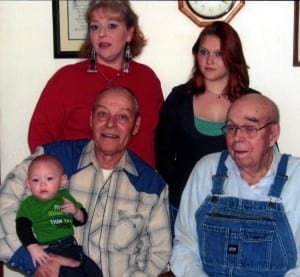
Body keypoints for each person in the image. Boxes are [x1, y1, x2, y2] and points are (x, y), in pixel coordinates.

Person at [0, 86, 172, 277]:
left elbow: (158, 254)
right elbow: (4, 204)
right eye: (102, 114)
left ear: (136, 125)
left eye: (122, 117)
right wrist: (38, 262)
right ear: (91, 120)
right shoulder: (53, 160)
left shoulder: (151, 186)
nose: (110, 124)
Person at [170, 93, 300, 276]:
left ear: (273, 135)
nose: (237, 137)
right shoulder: (207, 170)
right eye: (231, 127)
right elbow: (185, 245)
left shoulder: (296, 178)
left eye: (249, 128)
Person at [28, 0, 163, 168]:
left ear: (129, 33)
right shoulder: (67, 78)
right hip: (76, 183)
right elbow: (40, 137)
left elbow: (160, 139)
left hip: (135, 186)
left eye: (112, 26)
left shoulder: (147, 79)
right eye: (95, 27)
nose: (102, 34)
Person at [155, 21, 259, 225]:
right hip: (185, 207)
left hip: (237, 208)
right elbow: (163, 156)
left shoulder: (252, 102)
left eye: (218, 54)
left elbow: (266, 157)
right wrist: (182, 189)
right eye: (203, 52)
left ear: (232, 57)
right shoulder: (179, 98)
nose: (209, 60)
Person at [7, 154, 102, 277]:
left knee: (94, 272)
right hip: (50, 249)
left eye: (49, 178)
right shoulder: (29, 203)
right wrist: (32, 247)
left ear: (62, 181)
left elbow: (81, 220)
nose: (42, 184)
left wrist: (76, 212)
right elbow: (22, 227)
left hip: (71, 246)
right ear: (28, 184)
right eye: (36, 180)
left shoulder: (64, 196)